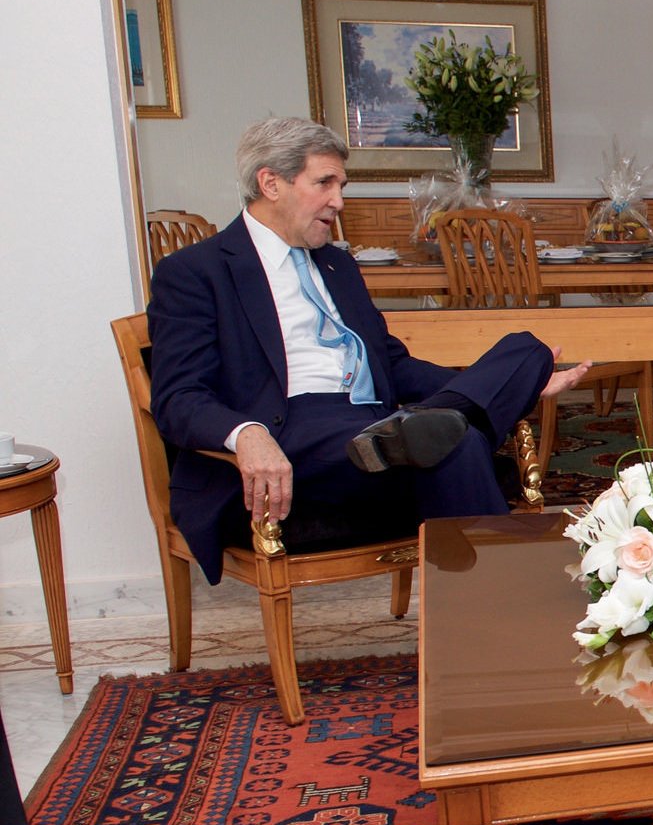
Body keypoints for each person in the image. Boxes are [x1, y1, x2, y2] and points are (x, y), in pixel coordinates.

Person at [147, 117, 590, 585]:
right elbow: (177, 398)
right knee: (461, 442)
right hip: (293, 427)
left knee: (526, 351)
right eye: (325, 183)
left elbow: (390, 364)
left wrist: (519, 381)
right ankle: (500, 603)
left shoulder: (336, 264)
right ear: (270, 183)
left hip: (374, 425)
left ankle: (431, 427)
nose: (338, 201)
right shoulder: (196, 272)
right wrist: (246, 432)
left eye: (341, 185)